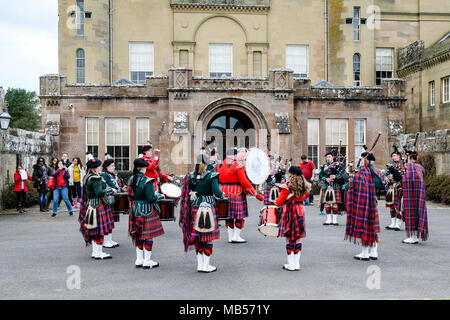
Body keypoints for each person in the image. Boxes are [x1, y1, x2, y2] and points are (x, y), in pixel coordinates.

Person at [179, 153, 225, 273]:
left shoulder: (190, 176)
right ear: (206, 164)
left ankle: (200, 265)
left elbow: (186, 192)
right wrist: (222, 194)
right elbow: (217, 192)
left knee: (198, 238)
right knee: (208, 237)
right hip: (208, 207)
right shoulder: (211, 176)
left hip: (194, 206)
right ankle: (206, 265)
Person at [217, 148, 264, 243]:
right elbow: (244, 182)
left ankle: (230, 237)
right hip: (236, 192)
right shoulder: (237, 166)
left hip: (223, 192)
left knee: (228, 217)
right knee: (239, 216)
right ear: (234, 155)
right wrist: (255, 193)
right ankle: (236, 236)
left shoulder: (219, 165)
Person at [128, 158, 165, 269]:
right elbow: (151, 198)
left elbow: (130, 195)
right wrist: (160, 196)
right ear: (143, 168)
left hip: (135, 209)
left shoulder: (131, 179)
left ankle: (139, 260)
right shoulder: (147, 180)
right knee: (148, 235)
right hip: (147, 210)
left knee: (138, 234)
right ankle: (147, 261)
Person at [345, 152, 380, 261]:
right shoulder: (375, 171)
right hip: (372, 201)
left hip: (362, 202)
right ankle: (374, 252)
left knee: (364, 226)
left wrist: (348, 184)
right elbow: (377, 184)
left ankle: (365, 253)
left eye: (361, 158)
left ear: (366, 160)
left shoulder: (363, 171)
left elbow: (356, 184)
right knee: (371, 227)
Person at [78, 158, 116, 260]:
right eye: (99, 166)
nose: (100, 168)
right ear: (95, 168)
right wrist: (110, 191)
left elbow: (90, 193)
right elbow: (99, 193)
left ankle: (96, 252)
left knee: (94, 230)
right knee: (99, 231)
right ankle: (98, 253)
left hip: (91, 205)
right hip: (98, 206)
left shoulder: (87, 177)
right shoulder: (96, 178)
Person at [275, 166, 311, 271]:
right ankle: (297, 264)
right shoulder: (306, 187)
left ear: (291, 175)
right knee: (298, 237)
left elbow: (279, 202)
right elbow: (305, 197)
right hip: (300, 210)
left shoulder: (287, 187)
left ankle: (291, 264)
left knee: (289, 238)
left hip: (289, 212)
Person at [402, 151, 428, 244]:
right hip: (419, 194)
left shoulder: (411, 167)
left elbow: (406, 181)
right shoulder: (420, 167)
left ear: (411, 159)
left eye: (407, 159)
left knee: (412, 214)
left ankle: (413, 237)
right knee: (418, 214)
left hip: (411, 195)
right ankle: (415, 236)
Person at [101, 157, 127, 248]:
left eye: (113, 165)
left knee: (111, 221)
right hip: (107, 200)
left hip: (113, 199)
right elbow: (111, 185)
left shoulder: (112, 175)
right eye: (112, 166)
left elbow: (117, 185)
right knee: (107, 221)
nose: (113, 167)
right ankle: (105, 240)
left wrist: (122, 187)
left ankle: (109, 239)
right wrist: (117, 188)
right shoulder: (104, 175)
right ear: (107, 167)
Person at [319, 151, 346, 226]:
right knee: (327, 203)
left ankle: (334, 220)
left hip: (335, 185)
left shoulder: (337, 165)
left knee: (334, 203)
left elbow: (342, 173)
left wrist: (335, 177)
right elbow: (320, 175)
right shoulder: (323, 166)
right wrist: (326, 179)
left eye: (329, 157)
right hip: (326, 186)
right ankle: (328, 220)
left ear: (332, 158)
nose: (328, 158)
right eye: (327, 157)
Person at [384, 148, 404, 231]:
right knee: (391, 206)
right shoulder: (390, 165)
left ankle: (398, 224)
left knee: (398, 206)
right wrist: (386, 178)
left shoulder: (403, 165)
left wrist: (397, 180)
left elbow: (403, 176)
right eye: (392, 156)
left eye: (394, 156)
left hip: (399, 188)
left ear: (399, 156)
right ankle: (392, 223)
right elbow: (386, 174)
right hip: (390, 187)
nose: (393, 157)